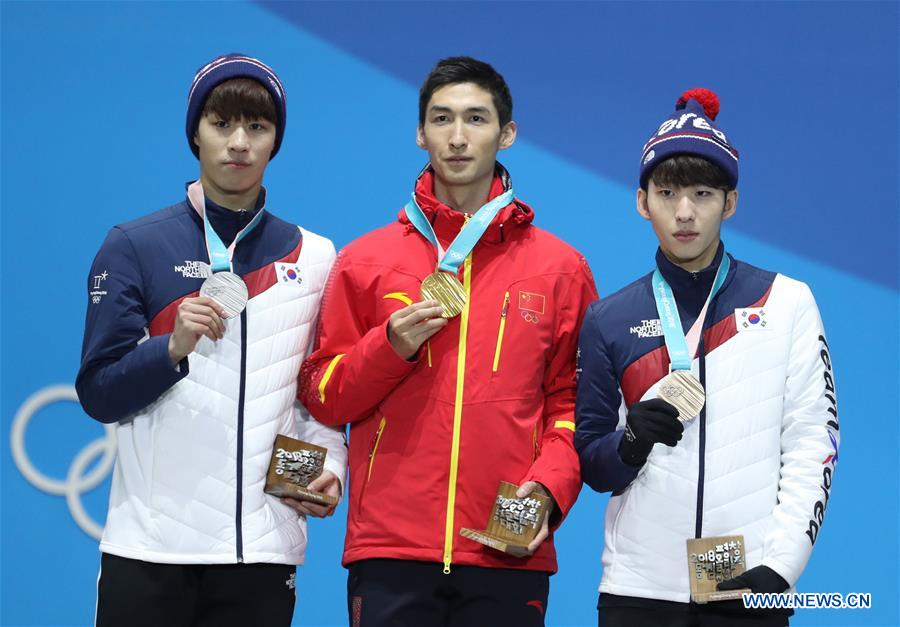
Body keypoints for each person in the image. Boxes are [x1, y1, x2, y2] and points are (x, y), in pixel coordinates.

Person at [298, 56, 597, 626]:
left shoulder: (561, 268)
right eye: (441, 120)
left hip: (506, 546)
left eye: (476, 120)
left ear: (506, 134)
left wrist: (549, 490)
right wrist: (387, 348)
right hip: (391, 549)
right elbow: (324, 394)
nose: (458, 138)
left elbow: (574, 406)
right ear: (420, 133)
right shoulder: (365, 262)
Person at [76, 53, 346, 627]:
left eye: (257, 127)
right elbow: (100, 392)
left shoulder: (317, 257)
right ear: (195, 134)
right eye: (222, 124)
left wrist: (332, 471)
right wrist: (169, 348)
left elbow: (317, 398)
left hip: (262, 553)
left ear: (276, 141)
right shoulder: (133, 245)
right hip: (149, 551)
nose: (239, 143)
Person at [575, 88, 839, 627]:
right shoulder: (609, 318)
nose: (685, 212)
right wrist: (630, 443)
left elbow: (815, 442)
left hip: (749, 587)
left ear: (731, 202)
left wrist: (780, 568)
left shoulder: (786, 302)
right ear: (641, 200)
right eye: (668, 193)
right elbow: (593, 465)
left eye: (703, 192)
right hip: (636, 593)